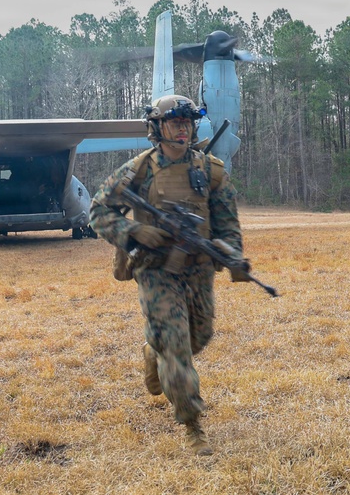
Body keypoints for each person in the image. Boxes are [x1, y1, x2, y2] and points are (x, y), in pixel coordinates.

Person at [89, 94, 247, 456]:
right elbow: (98, 211)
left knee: (199, 335)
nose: (182, 128)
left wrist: (230, 252)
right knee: (175, 347)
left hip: (198, 268)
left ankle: (152, 351)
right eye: (174, 121)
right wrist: (134, 232)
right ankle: (193, 426)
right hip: (156, 268)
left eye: (187, 122)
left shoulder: (211, 170)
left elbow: (228, 224)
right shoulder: (139, 170)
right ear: (157, 127)